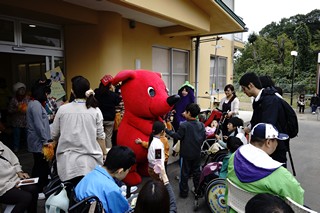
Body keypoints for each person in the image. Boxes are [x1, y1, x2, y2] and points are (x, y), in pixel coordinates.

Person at [226, 123, 304, 211]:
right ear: (268, 142)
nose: (277, 143)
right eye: (276, 140)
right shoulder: (279, 173)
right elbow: (297, 201)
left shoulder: (234, 156)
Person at [51, 76, 107, 185]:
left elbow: (54, 134)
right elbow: (100, 136)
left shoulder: (62, 109)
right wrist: (104, 153)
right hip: (91, 161)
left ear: (72, 91)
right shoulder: (95, 110)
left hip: (67, 163)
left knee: (69, 192)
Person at [239, 72, 288, 166]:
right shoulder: (259, 100)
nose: (244, 91)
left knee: (277, 175)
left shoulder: (270, 100)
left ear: (250, 85)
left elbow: (268, 126)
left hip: (274, 147)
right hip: (265, 147)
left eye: (244, 88)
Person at [75, 146, 136, 213]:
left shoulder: (91, 174)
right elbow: (122, 210)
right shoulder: (112, 189)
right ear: (120, 171)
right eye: (128, 170)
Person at [165, 103, 206, 198]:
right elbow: (203, 137)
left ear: (189, 113)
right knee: (196, 173)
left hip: (186, 154)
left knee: (184, 173)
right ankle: (198, 190)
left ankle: (184, 193)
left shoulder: (184, 125)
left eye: (185, 112)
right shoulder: (201, 125)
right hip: (197, 153)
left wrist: (166, 130)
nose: (184, 113)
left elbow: (177, 136)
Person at [26, 80, 52, 199]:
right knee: (39, 166)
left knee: (41, 164)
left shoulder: (33, 103)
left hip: (38, 140)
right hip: (38, 141)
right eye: (46, 93)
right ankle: (38, 189)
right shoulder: (36, 105)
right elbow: (38, 125)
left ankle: (41, 186)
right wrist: (45, 140)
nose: (47, 95)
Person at [0, 141, 38, 212]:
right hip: (2, 187)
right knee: (25, 197)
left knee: (33, 189)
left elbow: (14, 160)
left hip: (14, 180)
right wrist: (12, 184)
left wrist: (20, 172)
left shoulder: (0, 144)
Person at [94, 75, 122, 148]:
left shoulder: (96, 92)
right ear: (110, 86)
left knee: (99, 137)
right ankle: (108, 153)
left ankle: (100, 151)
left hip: (99, 119)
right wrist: (113, 90)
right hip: (110, 119)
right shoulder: (113, 95)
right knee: (108, 138)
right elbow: (117, 101)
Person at [171, 81, 195, 156]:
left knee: (184, 136)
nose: (184, 92)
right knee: (176, 133)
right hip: (177, 119)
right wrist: (173, 110)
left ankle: (182, 151)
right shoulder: (178, 98)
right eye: (183, 90)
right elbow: (174, 106)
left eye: (186, 91)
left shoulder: (191, 101)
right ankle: (175, 149)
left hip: (186, 120)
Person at [7, 82, 29, 152]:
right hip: (16, 121)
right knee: (17, 135)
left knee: (27, 135)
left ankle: (29, 147)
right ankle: (16, 148)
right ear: (17, 91)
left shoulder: (27, 98)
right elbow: (9, 110)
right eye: (20, 90)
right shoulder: (13, 99)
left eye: (23, 89)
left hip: (26, 121)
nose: (22, 91)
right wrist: (17, 110)